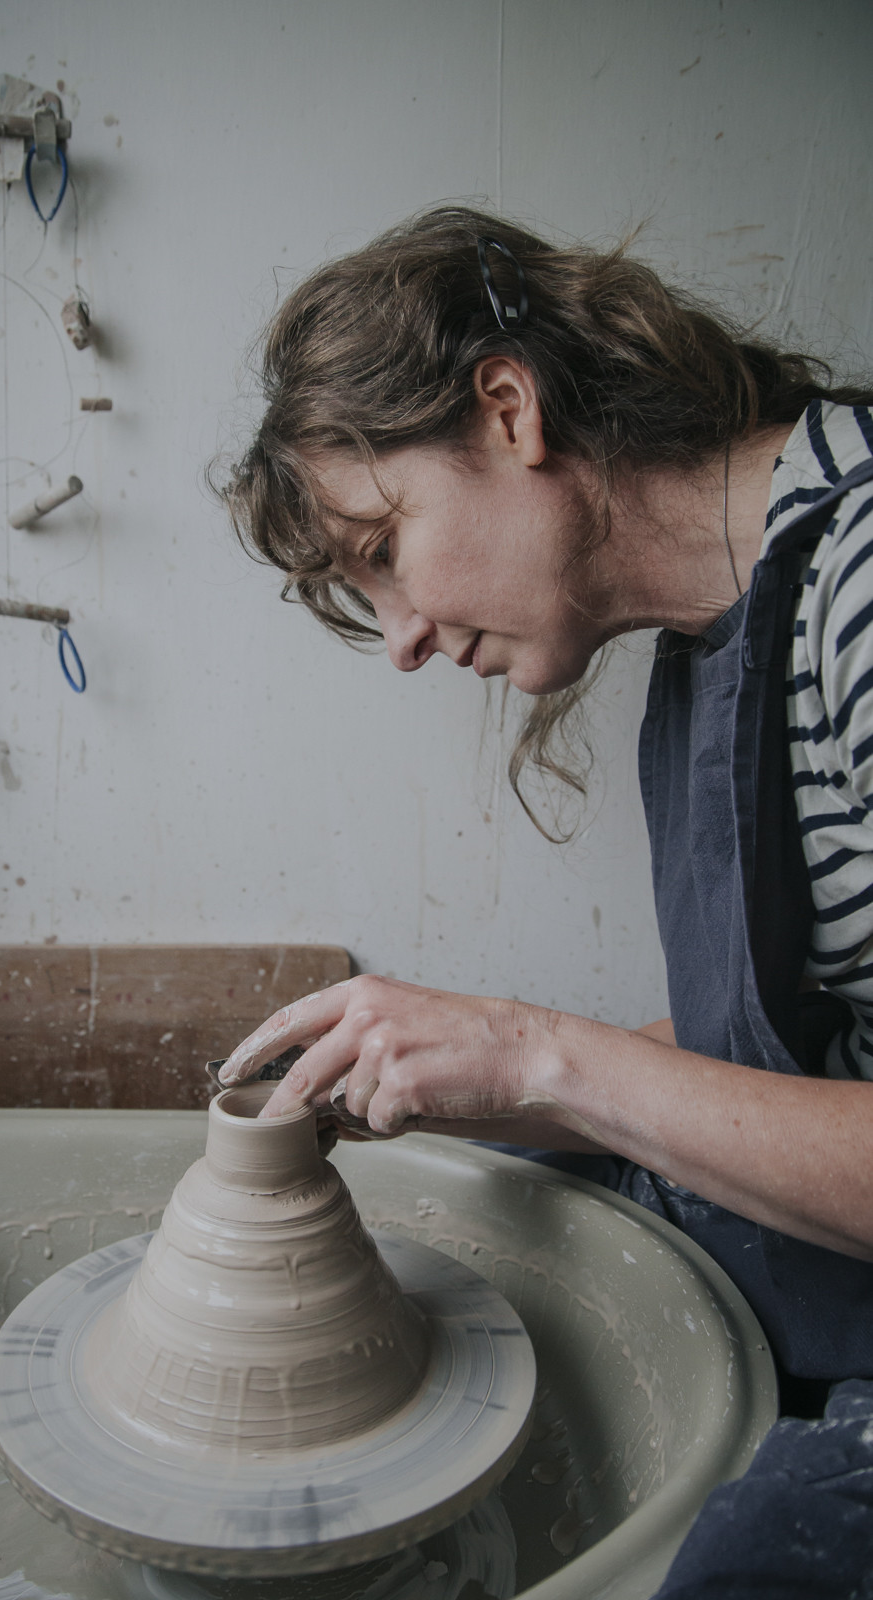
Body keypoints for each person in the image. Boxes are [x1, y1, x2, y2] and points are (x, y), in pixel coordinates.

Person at [216, 206, 873, 1594]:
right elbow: (787, 1056)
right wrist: (481, 1088)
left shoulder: (862, 587)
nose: (398, 642)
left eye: (387, 547)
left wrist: (545, 1055)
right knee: (475, 1203)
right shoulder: (712, 617)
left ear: (508, 411)